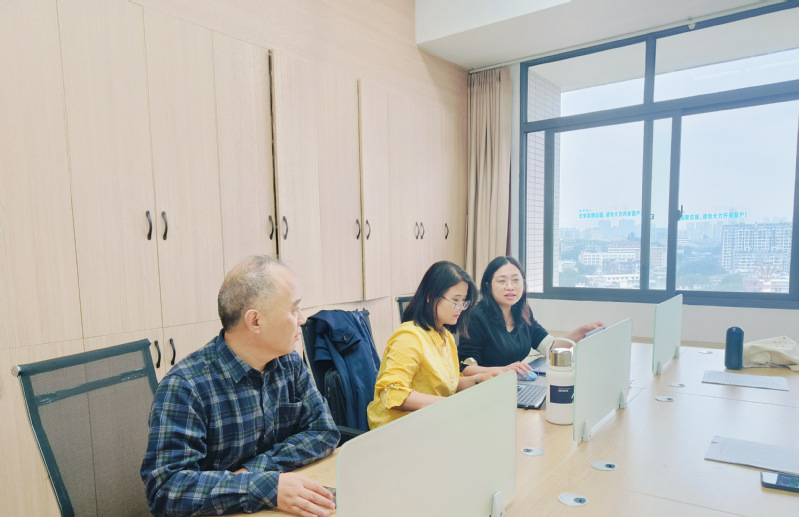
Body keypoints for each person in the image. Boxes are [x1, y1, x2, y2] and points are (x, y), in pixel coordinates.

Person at [141, 255, 339, 517]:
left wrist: (255, 471)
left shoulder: (288, 363)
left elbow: (324, 430)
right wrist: (263, 487)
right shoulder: (186, 386)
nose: (302, 319)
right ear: (255, 321)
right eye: (293, 310)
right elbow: (166, 490)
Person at [366, 261, 500, 429]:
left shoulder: (446, 336)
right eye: (455, 300)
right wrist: (448, 405)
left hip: (431, 421)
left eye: (463, 301)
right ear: (431, 296)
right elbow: (392, 392)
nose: (460, 308)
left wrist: (478, 379)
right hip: (398, 428)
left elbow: (448, 384)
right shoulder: (409, 337)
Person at [459, 256, 603, 377]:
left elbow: (550, 347)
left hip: (513, 382)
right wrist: (503, 370)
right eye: (502, 281)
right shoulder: (475, 316)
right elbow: (465, 368)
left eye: (516, 280)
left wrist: (583, 330)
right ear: (487, 285)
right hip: (486, 387)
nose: (510, 286)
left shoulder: (522, 312)